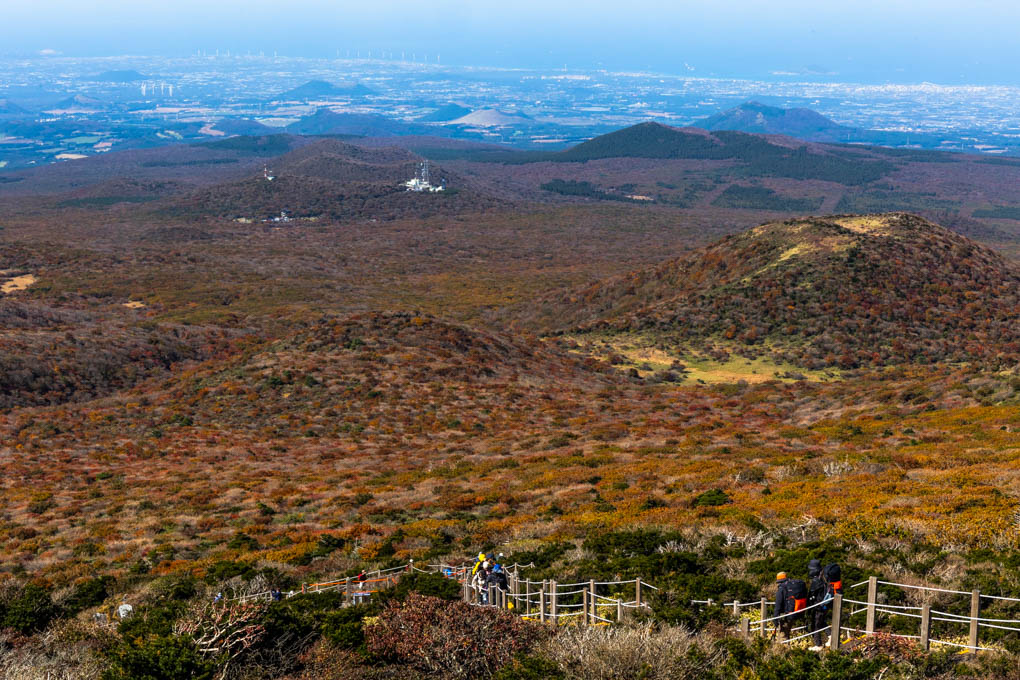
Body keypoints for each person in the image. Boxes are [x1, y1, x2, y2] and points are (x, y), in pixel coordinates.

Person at [807, 559, 827, 647]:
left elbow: (812, 593)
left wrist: (809, 603)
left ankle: (818, 644)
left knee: (816, 624)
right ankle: (830, 636)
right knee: (821, 622)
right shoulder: (822, 579)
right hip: (822, 605)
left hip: (818, 605)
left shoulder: (816, 581)